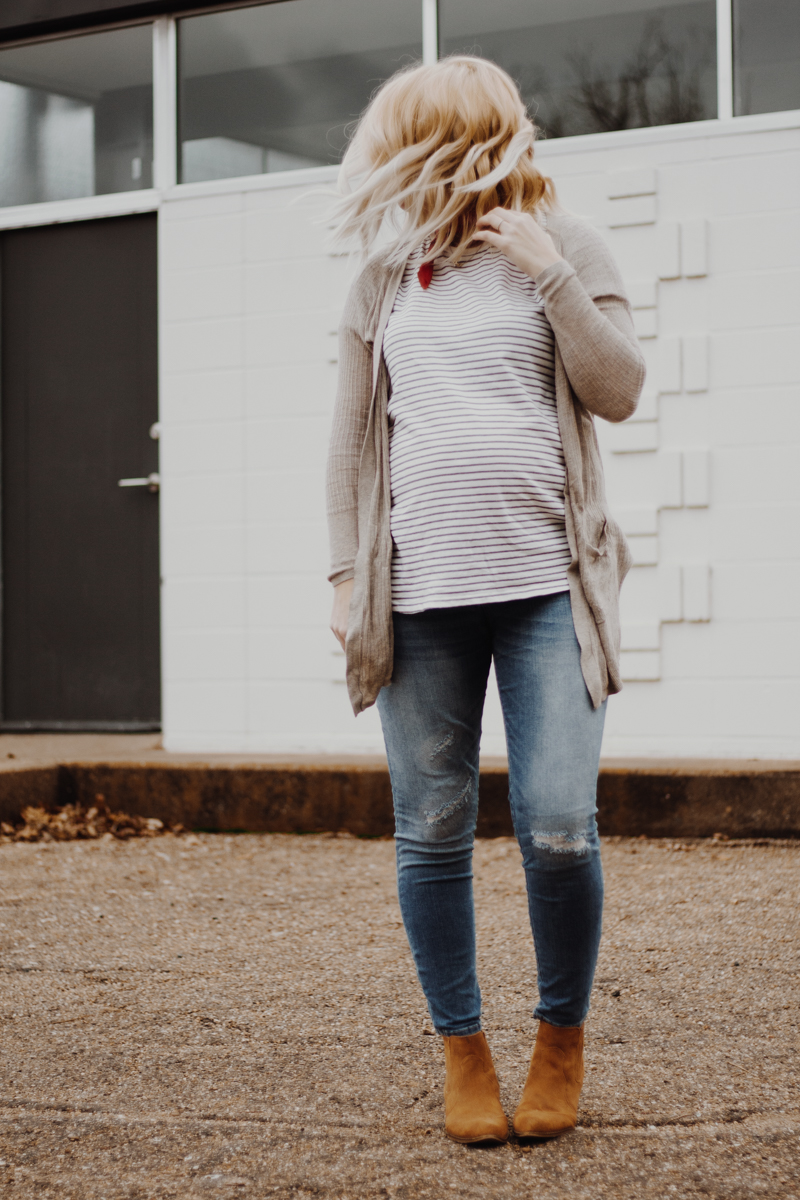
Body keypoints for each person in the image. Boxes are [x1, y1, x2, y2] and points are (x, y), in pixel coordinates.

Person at [326, 56, 644, 1144]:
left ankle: (561, 1039)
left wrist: (549, 275)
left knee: (557, 826)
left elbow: (618, 392)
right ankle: (463, 1052)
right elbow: (348, 443)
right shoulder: (383, 275)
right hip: (419, 595)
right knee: (431, 829)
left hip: (548, 590)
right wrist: (343, 576)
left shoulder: (568, 245)